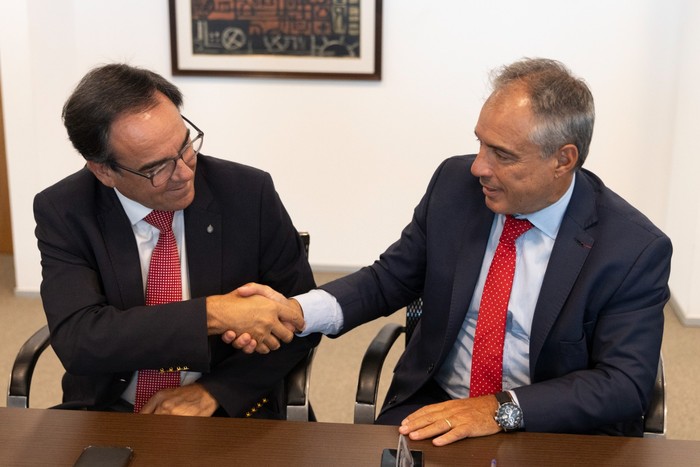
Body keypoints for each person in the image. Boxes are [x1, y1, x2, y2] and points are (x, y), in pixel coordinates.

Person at [230, 58, 672, 444]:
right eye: (480, 142)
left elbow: (623, 384)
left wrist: (498, 410)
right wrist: (299, 311)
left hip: (553, 428)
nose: (479, 166)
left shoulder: (631, 248)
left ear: (563, 159)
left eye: (502, 154)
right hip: (434, 405)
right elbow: (390, 278)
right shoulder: (455, 185)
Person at [33, 63, 318, 418]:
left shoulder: (247, 193)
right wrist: (212, 314)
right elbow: (80, 339)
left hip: (231, 408)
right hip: (110, 409)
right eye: (156, 168)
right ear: (104, 170)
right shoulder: (65, 210)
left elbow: (301, 317)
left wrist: (215, 392)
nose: (184, 172)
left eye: (186, 146)